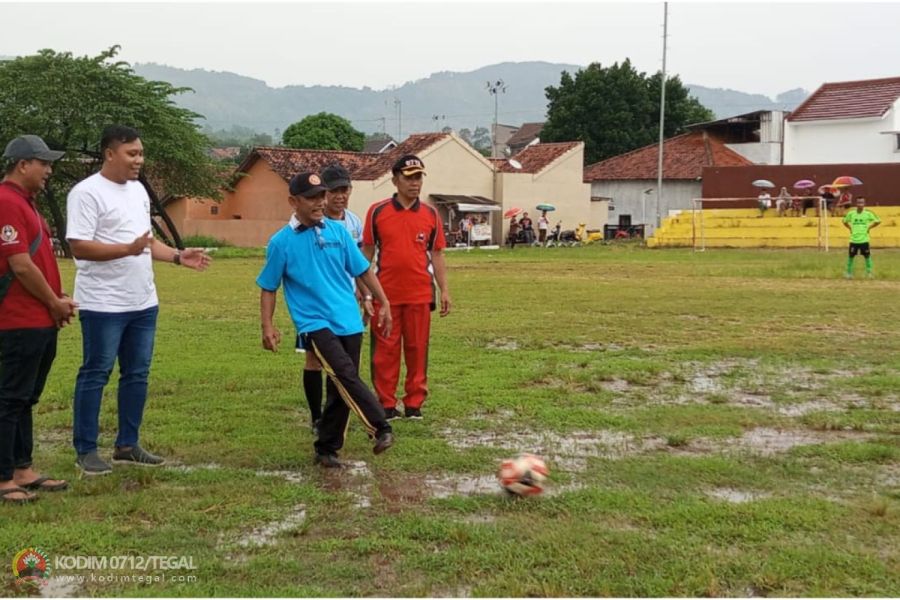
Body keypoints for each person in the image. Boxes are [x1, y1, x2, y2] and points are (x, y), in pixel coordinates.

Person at [66, 125, 212, 476]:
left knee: (137, 373)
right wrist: (125, 249)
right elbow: (79, 245)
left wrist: (178, 256)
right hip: (103, 303)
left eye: (141, 153)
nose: (139, 160)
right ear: (110, 154)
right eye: (132, 154)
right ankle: (86, 449)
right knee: (96, 372)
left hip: (142, 301)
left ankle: (127, 445)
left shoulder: (138, 192)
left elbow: (145, 242)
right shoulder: (86, 193)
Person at [258, 172, 394, 468]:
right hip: (314, 323)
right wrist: (267, 326)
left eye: (322, 196)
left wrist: (382, 301)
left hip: (349, 321)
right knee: (345, 373)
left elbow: (363, 270)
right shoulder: (281, 243)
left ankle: (326, 448)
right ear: (294, 202)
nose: (320, 202)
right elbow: (268, 287)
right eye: (311, 197)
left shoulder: (338, 232)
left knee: (339, 386)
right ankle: (380, 426)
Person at [0, 135, 76, 504]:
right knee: (9, 398)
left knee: (25, 397)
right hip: (17, 320)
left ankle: (22, 468)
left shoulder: (27, 205)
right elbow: (20, 265)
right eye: (43, 163)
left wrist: (56, 301)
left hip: (39, 317)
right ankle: (3, 478)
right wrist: (53, 301)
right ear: (22, 164)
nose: (48, 170)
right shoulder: (6, 203)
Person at [362, 154, 451, 420]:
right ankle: (386, 405)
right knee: (385, 353)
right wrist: (364, 291)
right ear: (395, 180)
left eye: (419, 177)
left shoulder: (431, 214)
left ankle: (414, 404)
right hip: (385, 296)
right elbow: (366, 253)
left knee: (417, 348)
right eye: (409, 178)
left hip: (420, 295)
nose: (415, 183)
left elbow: (437, 254)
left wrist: (444, 289)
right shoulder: (378, 212)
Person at [298, 162, 369, 435]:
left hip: (347, 302)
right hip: (317, 304)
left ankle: (336, 417)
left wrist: (365, 294)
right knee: (314, 360)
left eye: (345, 190)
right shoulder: (309, 222)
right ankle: (317, 418)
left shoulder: (353, 222)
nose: (340, 196)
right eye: (334, 191)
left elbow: (359, 263)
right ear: (323, 194)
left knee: (345, 364)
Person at [842, 197, 880, 279]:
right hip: (853, 240)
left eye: (862, 203)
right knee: (851, 257)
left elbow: (878, 221)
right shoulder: (851, 214)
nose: (860, 204)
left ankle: (869, 273)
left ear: (864, 204)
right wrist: (850, 228)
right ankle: (849, 273)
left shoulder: (868, 214)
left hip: (864, 239)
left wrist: (869, 228)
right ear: (856, 204)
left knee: (867, 257)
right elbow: (844, 221)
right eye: (859, 203)